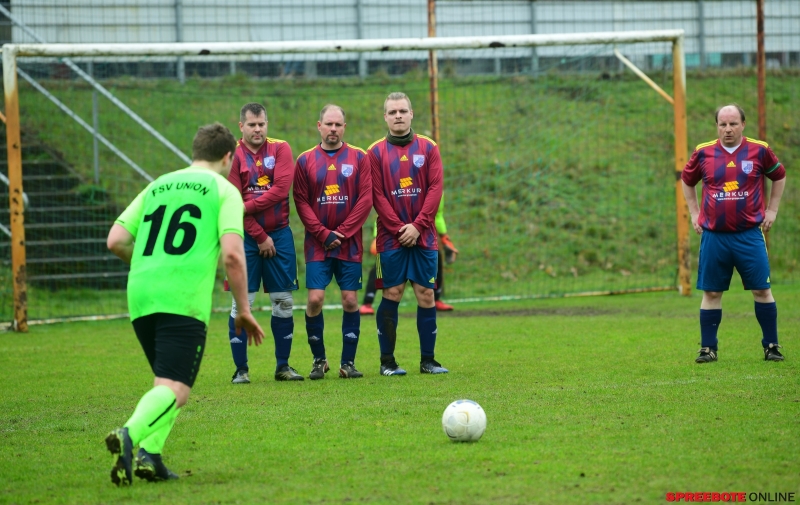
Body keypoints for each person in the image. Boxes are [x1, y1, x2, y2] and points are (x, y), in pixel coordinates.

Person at [104, 123, 265, 486]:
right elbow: (233, 256)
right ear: (228, 157)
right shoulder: (224, 190)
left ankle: (151, 456)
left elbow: (115, 240)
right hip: (180, 297)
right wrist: (243, 310)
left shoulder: (158, 183)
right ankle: (129, 436)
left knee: (166, 383)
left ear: (194, 152)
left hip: (141, 293)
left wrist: (149, 267)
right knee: (177, 390)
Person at [681, 104, 787, 364]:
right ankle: (708, 349)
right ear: (716, 126)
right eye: (723, 124)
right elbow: (686, 180)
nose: (728, 129)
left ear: (743, 124)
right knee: (712, 293)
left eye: (733, 124)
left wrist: (772, 210)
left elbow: (779, 176)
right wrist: (694, 214)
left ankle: (771, 346)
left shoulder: (759, 150)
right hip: (714, 236)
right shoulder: (703, 152)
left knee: (762, 290)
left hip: (748, 235)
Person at [368, 91, 448, 376]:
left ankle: (428, 361)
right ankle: (387, 363)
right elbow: (377, 195)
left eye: (403, 111)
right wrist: (400, 228)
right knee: (393, 291)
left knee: (426, 293)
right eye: (393, 112)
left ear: (411, 114)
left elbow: (435, 189)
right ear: (385, 117)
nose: (398, 116)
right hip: (391, 237)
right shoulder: (374, 152)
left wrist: (418, 226)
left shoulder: (428, 147)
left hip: (424, 234)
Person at [293, 104, 373, 379]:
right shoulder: (304, 160)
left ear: (344, 128)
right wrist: (323, 234)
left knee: (350, 300)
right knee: (314, 299)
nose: (333, 129)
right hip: (318, 243)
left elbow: (366, 200)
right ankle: (319, 360)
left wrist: (343, 232)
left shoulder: (359, 157)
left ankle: (347, 364)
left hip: (349, 244)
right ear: (319, 126)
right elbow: (301, 202)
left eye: (338, 124)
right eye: (328, 124)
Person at [226, 102, 303, 382]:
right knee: (241, 302)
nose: (257, 129)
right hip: (244, 237)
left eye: (261, 124)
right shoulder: (232, 154)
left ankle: (283, 366)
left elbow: (282, 189)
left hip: (280, 233)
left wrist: (246, 207)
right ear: (241, 126)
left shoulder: (281, 148)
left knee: (283, 301)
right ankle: (241, 370)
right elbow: (231, 202)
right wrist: (259, 235)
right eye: (252, 125)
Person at [360, 194, 459, 314]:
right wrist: (377, 237)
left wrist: (444, 237)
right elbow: (383, 210)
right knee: (382, 262)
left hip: (421, 233)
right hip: (394, 232)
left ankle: (436, 299)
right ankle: (367, 302)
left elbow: (437, 215)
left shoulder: (437, 189)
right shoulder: (397, 180)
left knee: (436, 255)